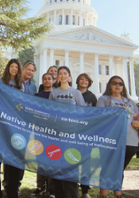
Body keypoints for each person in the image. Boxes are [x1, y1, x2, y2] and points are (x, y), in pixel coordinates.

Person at [96, 75, 139, 198]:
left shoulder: (130, 102)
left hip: (130, 140)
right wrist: (115, 112)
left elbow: (137, 118)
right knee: (108, 167)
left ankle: (118, 195)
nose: (117, 85)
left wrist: (138, 121)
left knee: (119, 168)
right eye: (114, 83)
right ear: (109, 85)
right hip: (110, 139)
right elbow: (99, 116)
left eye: (120, 83)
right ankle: (103, 195)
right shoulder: (103, 99)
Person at [49, 66, 85, 198]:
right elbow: (50, 114)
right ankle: (59, 194)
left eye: (65, 73)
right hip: (57, 135)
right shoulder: (54, 93)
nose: (63, 76)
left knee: (71, 165)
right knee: (58, 166)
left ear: (69, 76)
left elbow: (82, 113)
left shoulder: (76, 93)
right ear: (57, 77)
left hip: (72, 135)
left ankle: (72, 195)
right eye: (60, 74)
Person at [2, 60, 37, 196]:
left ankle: (17, 183)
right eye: (28, 69)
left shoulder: (33, 86)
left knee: (21, 153)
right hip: (11, 121)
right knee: (9, 152)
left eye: (32, 70)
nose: (29, 72)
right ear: (23, 69)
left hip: (25, 124)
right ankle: (7, 183)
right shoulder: (17, 82)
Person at [0, 58, 24, 198]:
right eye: (12, 66)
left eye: (16, 67)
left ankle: (12, 190)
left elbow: (22, 104)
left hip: (15, 125)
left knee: (14, 157)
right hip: (0, 124)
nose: (14, 69)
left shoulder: (21, 85)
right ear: (8, 68)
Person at [32, 73, 55, 198]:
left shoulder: (56, 95)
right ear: (42, 81)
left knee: (52, 157)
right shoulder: (37, 95)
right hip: (40, 130)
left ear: (53, 80)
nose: (47, 80)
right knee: (40, 157)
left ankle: (52, 188)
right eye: (45, 79)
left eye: (49, 79)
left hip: (53, 131)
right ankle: (40, 186)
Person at [76, 73, 97, 198]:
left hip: (86, 133)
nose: (84, 81)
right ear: (77, 81)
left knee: (85, 162)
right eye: (81, 79)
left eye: (86, 80)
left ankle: (84, 190)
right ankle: (71, 187)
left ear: (89, 82)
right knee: (71, 158)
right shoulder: (72, 92)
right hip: (73, 130)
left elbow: (95, 114)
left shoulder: (92, 97)